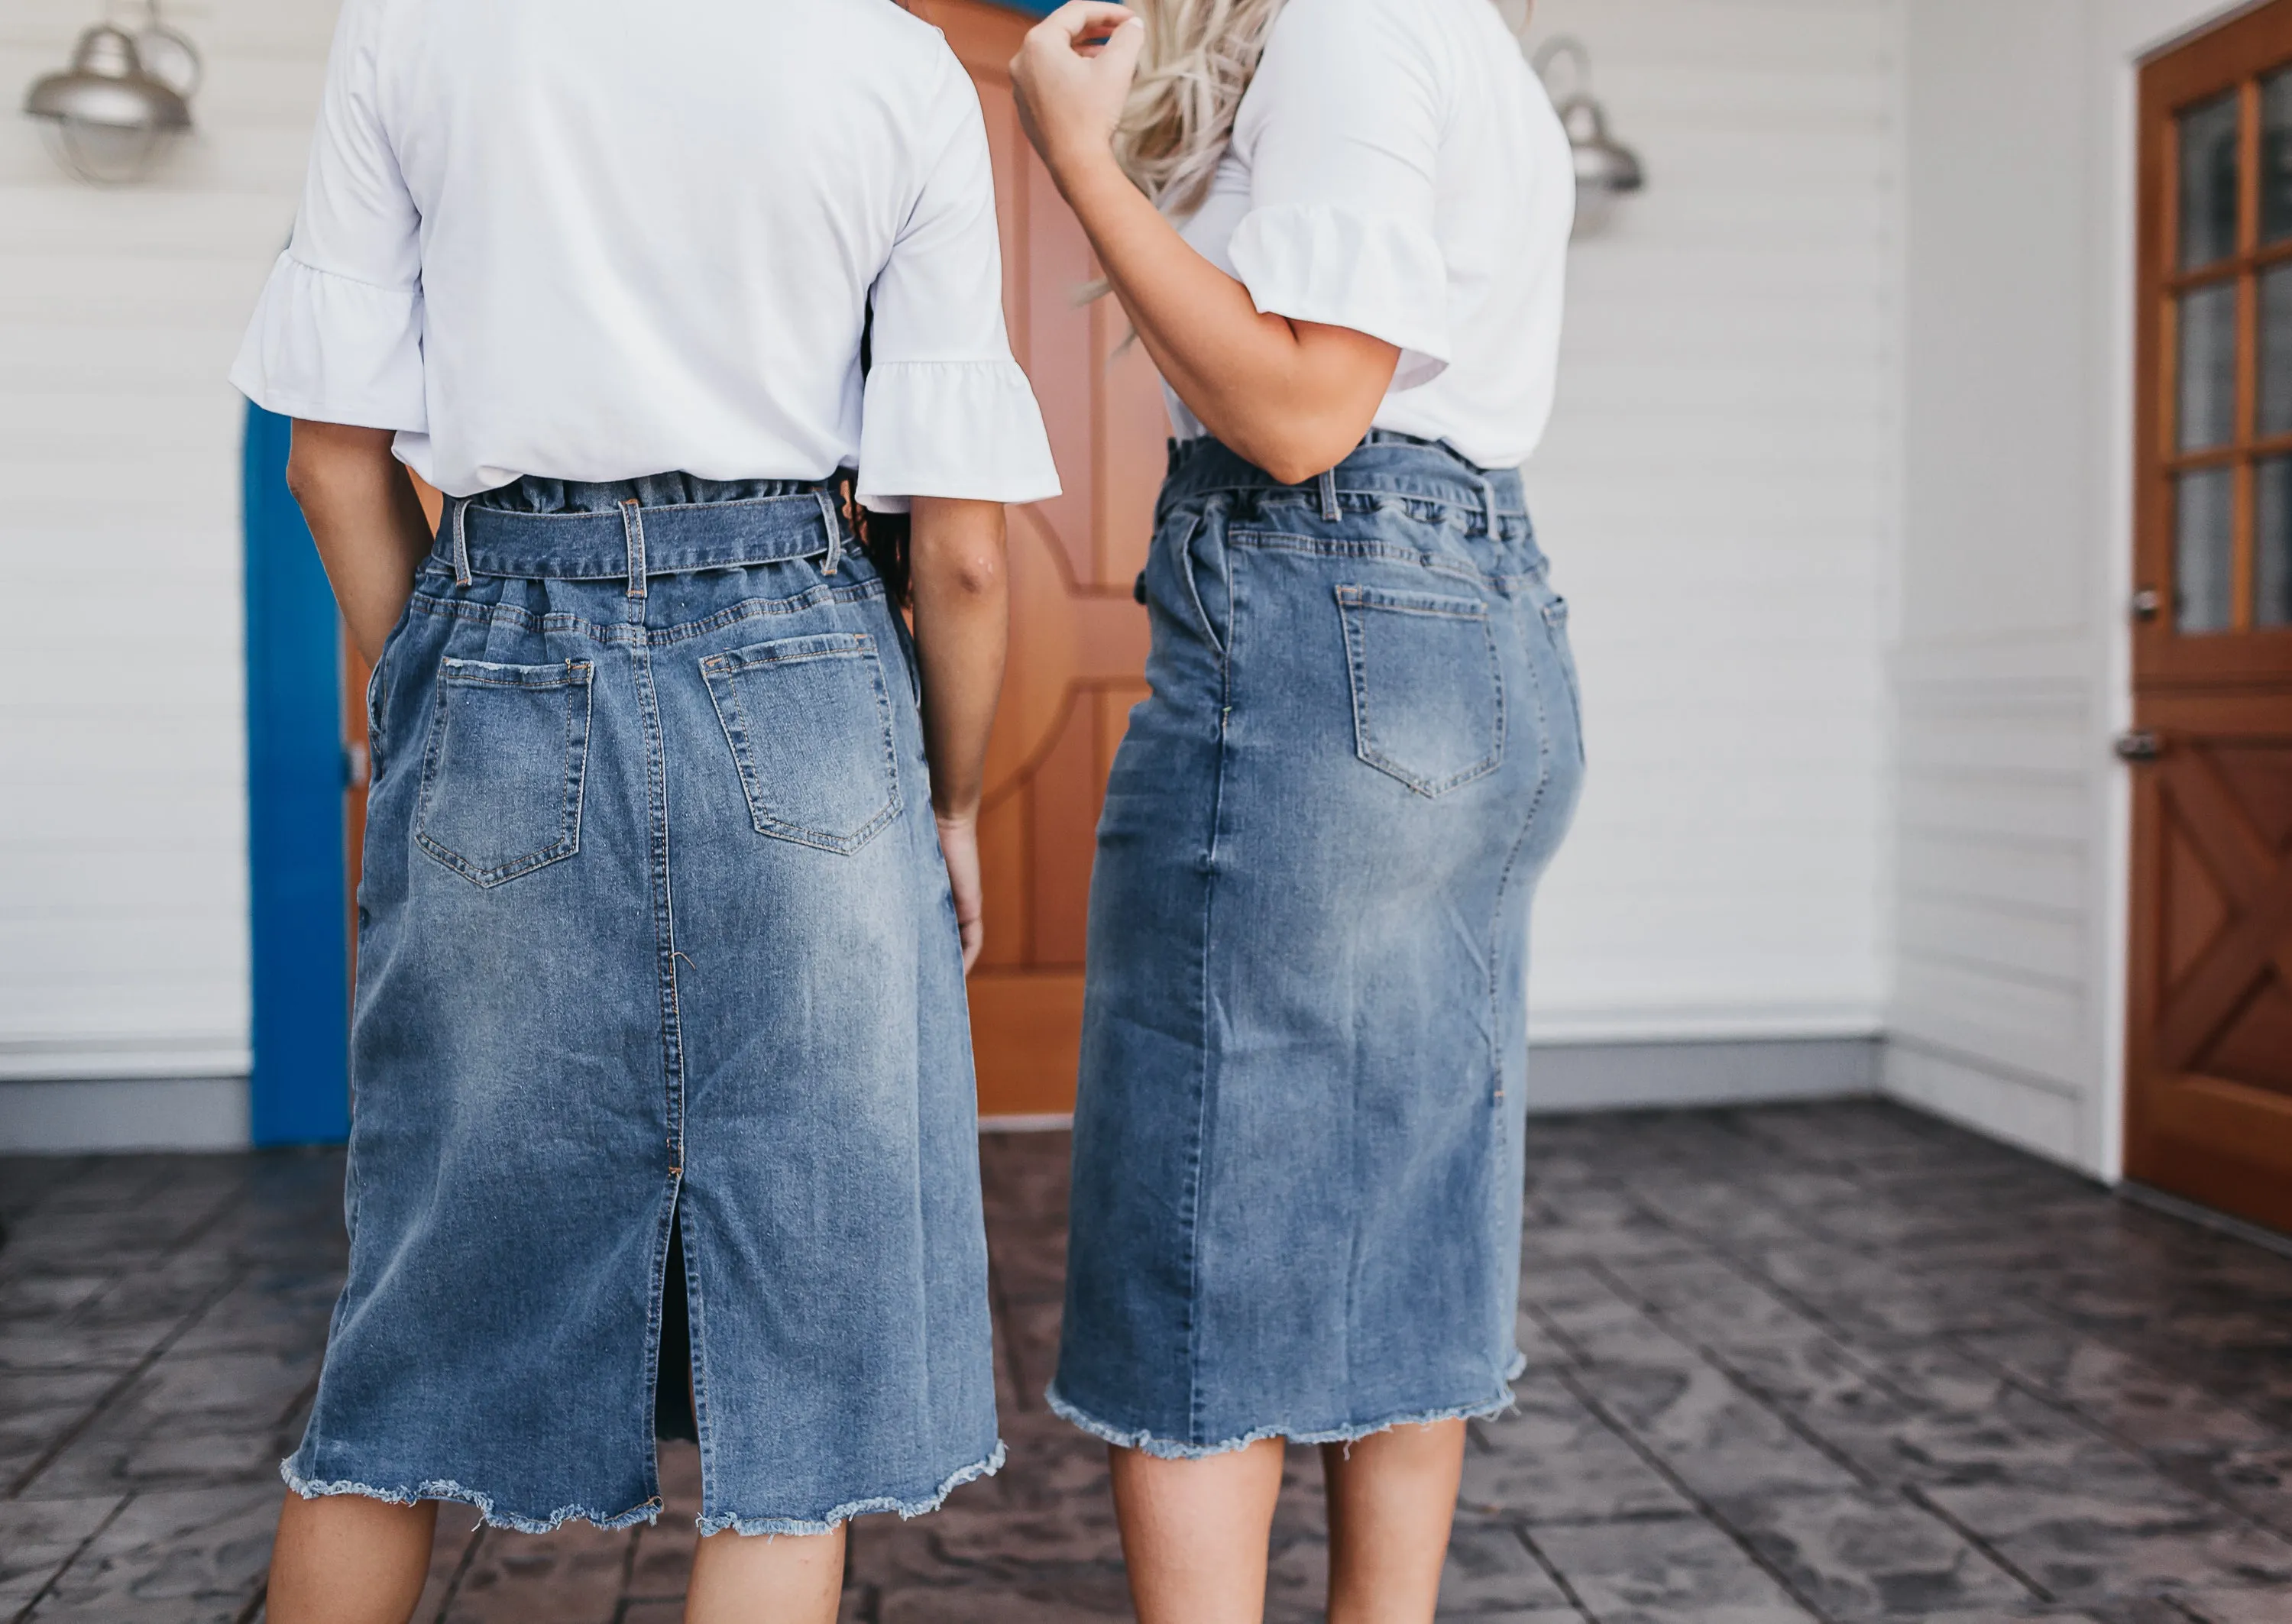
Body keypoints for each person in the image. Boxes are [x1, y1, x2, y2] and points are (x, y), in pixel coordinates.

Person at [231, 0, 1057, 1619]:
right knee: (799, 1378)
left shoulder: (411, 28)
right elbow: (960, 549)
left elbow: (329, 464)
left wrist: (444, 702)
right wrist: (951, 803)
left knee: (404, 1345)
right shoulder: (895, 68)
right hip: (804, 679)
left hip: (498, 647)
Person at [1009, 2, 1583, 1619]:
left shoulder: (1346, 23)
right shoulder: (1461, 37)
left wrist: (1073, 160)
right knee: (1414, 1215)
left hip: (1326, 607)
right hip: (1481, 620)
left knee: (1202, 1241)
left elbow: (1305, 409)